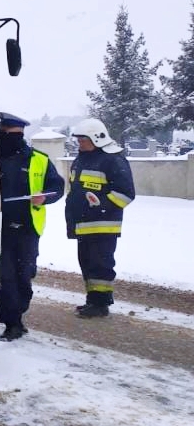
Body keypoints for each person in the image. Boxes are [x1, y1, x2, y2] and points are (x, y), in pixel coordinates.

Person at [0, 112, 65, 341]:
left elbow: (57, 187)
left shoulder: (39, 159)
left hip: (27, 229)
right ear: (1, 132)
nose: (12, 138)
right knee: (5, 277)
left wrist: (44, 197)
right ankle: (11, 321)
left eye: (17, 135)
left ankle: (17, 314)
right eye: (8, 134)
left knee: (24, 275)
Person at [66, 118, 135, 318]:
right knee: (87, 263)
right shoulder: (81, 159)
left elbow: (126, 193)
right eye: (78, 140)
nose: (80, 143)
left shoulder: (112, 159)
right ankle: (92, 300)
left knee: (100, 265)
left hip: (104, 225)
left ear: (97, 138)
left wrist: (101, 206)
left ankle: (101, 305)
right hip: (83, 224)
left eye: (83, 140)